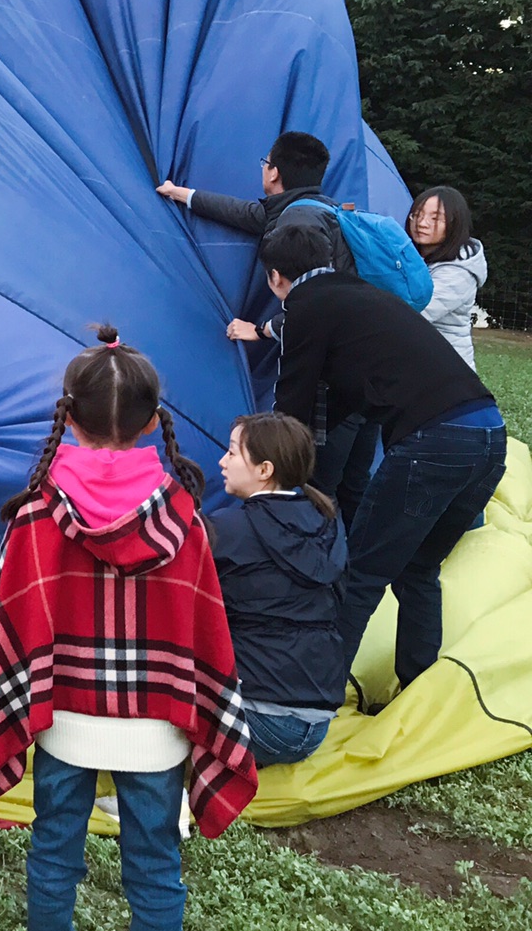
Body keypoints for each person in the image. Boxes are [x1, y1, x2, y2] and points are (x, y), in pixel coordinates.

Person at [0, 327, 256, 931]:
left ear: (68, 417)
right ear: (153, 423)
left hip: (61, 716)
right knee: (155, 868)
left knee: (53, 854)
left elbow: (5, 615)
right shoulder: (185, 517)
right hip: (158, 725)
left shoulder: (39, 513)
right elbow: (206, 636)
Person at [260, 219, 508, 695]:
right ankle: (416, 694)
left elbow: (292, 401)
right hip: (489, 437)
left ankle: (310, 701)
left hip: (434, 443)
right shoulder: (359, 296)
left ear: (276, 277)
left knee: (361, 575)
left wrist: (275, 474)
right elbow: (357, 389)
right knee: (417, 569)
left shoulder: (306, 305)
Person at [156, 130, 374, 519]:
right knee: (352, 483)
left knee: (321, 485)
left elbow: (313, 305)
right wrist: (181, 194)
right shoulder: (312, 209)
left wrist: (258, 330)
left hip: (338, 383)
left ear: (273, 172)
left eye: (265, 163)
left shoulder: (300, 224)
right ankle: (345, 564)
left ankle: (323, 566)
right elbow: (248, 214)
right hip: (364, 371)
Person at [211, 413, 347, 766]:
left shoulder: (227, 530)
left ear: (264, 469)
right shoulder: (328, 523)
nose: (221, 461)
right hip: (317, 725)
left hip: (257, 722)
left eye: (232, 453)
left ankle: (167, 797)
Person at [408, 186, 487, 368]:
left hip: (447, 370)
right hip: (419, 361)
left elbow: (417, 311)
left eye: (435, 218)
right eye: (417, 215)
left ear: (455, 223)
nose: (422, 223)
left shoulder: (459, 272)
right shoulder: (415, 258)